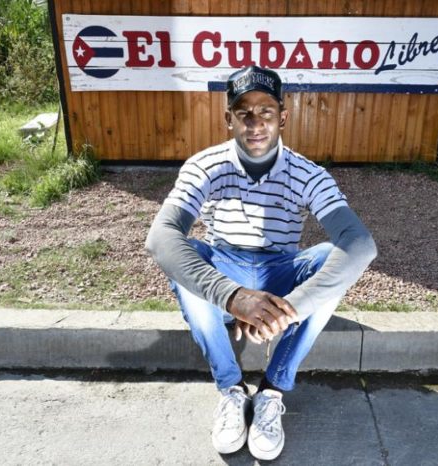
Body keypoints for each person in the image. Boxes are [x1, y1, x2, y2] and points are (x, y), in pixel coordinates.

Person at [145, 65, 376, 461]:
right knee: (185, 256)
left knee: (329, 259)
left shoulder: (308, 173)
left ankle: (271, 391)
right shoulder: (204, 165)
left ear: (282, 118)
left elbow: (360, 244)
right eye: (244, 112)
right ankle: (232, 390)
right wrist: (234, 297)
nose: (255, 123)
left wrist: (285, 311)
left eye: (266, 111)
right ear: (228, 119)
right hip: (224, 269)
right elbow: (160, 237)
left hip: (279, 272)